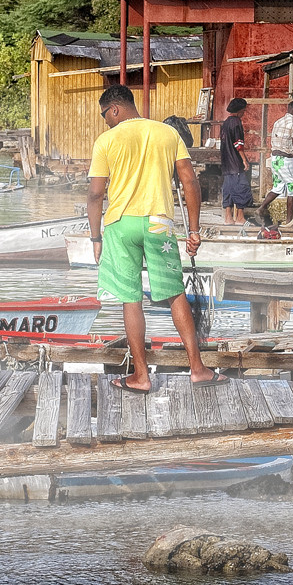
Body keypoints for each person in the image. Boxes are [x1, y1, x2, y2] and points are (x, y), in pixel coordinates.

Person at [87, 85, 224, 392]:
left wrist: (96, 237)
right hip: (159, 224)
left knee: (131, 299)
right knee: (175, 294)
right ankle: (198, 369)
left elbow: (96, 194)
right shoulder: (167, 134)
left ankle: (141, 376)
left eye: (104, 115)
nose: (105, 121)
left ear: (115, 109)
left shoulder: (107, 141)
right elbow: (190, 181)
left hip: (121, 226)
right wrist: (194, 229)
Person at [218, 97, 253, 225]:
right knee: (241, 187)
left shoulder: (226, 123)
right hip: (235, 162)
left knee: (228, 188)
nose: (244, 113)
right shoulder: (236, 122)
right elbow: (238, 144)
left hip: (226, 162)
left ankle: (228, 217)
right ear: (239, 111)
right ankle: (240, 217)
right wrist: (244, 160)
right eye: (243, 111)